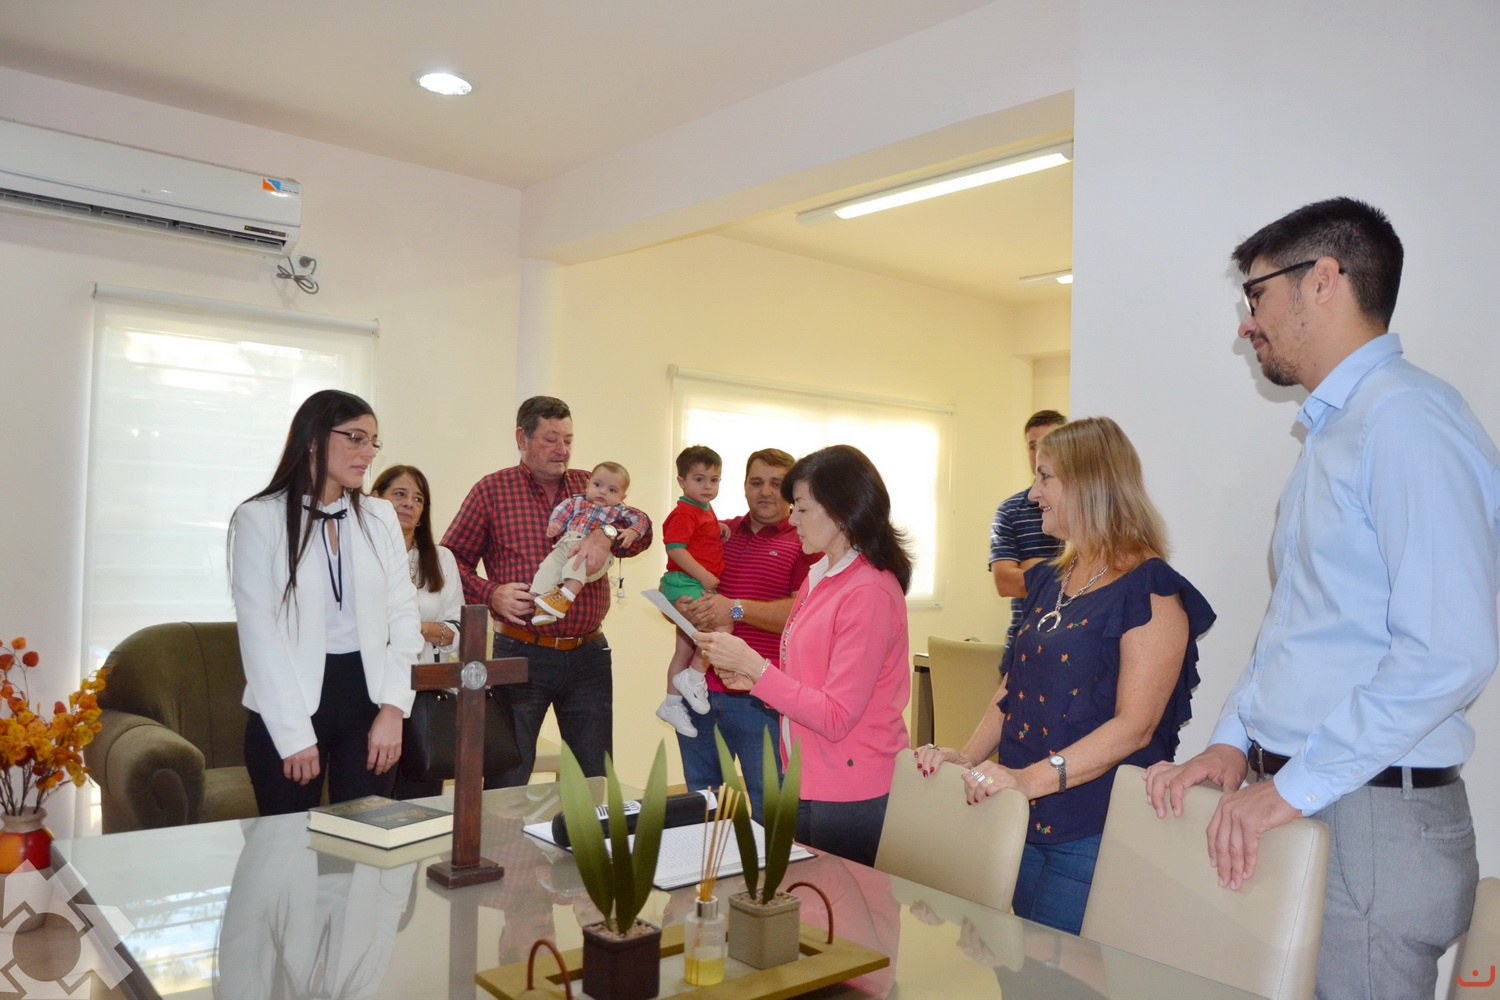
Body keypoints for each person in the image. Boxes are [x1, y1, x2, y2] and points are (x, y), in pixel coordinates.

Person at [1144, 197, 1500, 1000]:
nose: (1247, 323)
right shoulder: (1340, 431)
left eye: (1257, 294)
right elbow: (1298, 627)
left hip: (1367, 818)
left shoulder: (1407, 422)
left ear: (1324, 279)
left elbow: (1451, 650)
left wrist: (1293, 786)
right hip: (1315, 798)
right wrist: (1233, 742)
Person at [916, 416, 1215, 934]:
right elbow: (1012, 688)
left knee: (1060, 971)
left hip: (1091, 830)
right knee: (1012, 964)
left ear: (1089, 483)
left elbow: (1136, 727)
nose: (1034, 494)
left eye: (1045, 477)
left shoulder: (1150, 589)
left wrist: (1025, 780)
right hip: (1020, 817)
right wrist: (969, 756)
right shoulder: (1049, 579)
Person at [696, 445, 911, 867]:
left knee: (840, 906)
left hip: (852, 789)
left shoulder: (869, 590)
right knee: (809, 900)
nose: (791, 519)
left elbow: (836, 715)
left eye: (802, 508)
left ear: (842, 512)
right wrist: (754, 679)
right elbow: (808, 681)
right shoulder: (822, 575)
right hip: (806, 776)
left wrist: (756, 668)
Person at [229, 389, 422, 815]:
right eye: (356, 438)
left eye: (373, 441)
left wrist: (394, 709)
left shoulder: (380, 515)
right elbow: (259, 633)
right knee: (285, 848)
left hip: (370, 706)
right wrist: (293, 734)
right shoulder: (259, 517)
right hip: (288, 709)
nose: (368, 452)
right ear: (314, 439)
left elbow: (404, 615)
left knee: (364, 845)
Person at [441, 396, 652, 786]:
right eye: (551, 439)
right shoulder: (491, 490)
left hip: (588, 654)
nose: (563, 450)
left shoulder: (593, 485)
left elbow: (642, 532)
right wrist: (492, 594)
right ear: (522, 438)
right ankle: (502, 832)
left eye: (568, 440)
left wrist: (606, 534)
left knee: (593, 777)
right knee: (508, 776)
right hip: (520, 652)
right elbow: (449, 560)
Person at [675, 448, 819, 820]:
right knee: (704, 804)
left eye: (776, 484)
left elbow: (801, 615)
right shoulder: (715, 531)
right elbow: (677, 583)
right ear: (743, 486)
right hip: (698, 690)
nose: (765, 491)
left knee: (769, 805)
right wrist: (683, 606)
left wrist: (735, 608)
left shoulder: (805, 543)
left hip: (761, 697)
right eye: (756, 482)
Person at [371, 463, 464, 800]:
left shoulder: (441, 559)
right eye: (399, 494)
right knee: (373, 800)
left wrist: (415, 628)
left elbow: (459, 630)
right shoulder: (360, 555)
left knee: (419, 803)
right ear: (376, 499)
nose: (408, 503)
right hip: (371, 693)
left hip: (425, 694)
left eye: (418, 498)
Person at [656, 445, 726, 737]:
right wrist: (705, 577)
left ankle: (671, 703)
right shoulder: (685, 512)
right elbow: (675, 548)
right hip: (685, 581)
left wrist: (719, 528)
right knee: (721, 624)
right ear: (681, 481)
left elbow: (700, 537)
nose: (708, 486)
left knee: (684, 647)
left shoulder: (703, 509)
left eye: (714, 479)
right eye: (699, 479)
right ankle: (695, 675)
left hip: (689, 582)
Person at [530, 461, 648, 626]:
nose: (602, 492)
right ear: (587, 485)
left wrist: (633, 531)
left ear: (622, 497)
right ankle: (542, 606)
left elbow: (641, 519)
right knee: (549, 566)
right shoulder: (575, 502)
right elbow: (561, 512)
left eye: (612, 490)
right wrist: (556, 524)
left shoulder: (620, 510)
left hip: (596, 552)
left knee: (577, 565)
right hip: (567, 542)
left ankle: (565, 597)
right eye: (597, 485)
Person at [990, 409, 1067, 645]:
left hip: (1071, 640)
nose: (1039, 453)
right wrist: (1062, 571)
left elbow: (1092, 580)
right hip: (1021, 640)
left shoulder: (1084, 507)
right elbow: (1005, 583)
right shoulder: (1009, 510)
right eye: (1033, 446)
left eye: (1048, 443)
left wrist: (1032, 567)